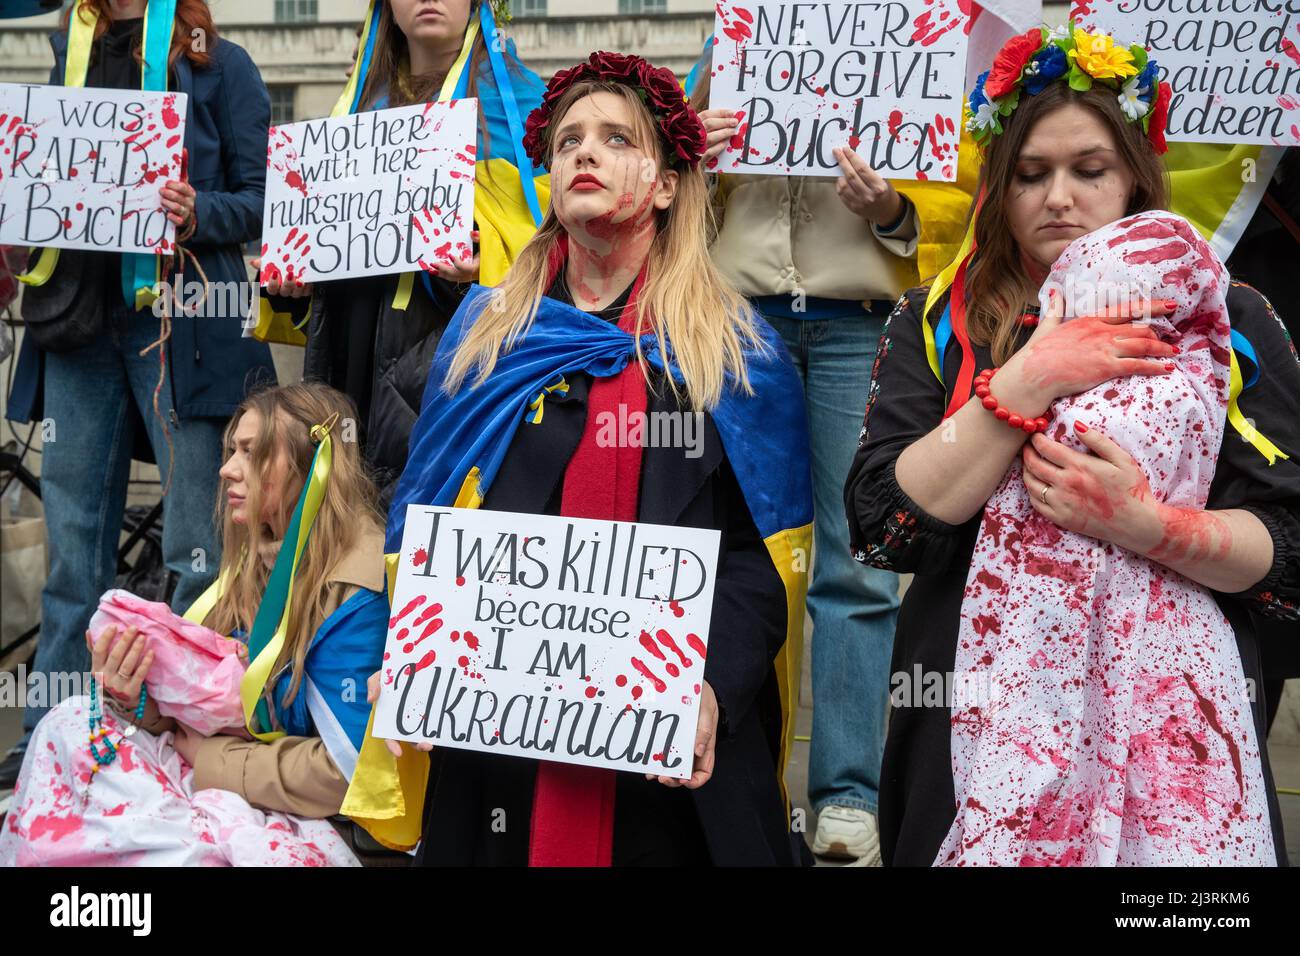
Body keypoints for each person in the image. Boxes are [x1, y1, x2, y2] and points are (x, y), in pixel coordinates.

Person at [344, 52, 815, 865]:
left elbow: (760, 562)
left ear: (667, 183)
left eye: (615, 139)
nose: (584, 154)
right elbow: (425, 525)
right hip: (497, 745)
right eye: (567, 143)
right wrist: (410, 653)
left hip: (663, 753)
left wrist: (712, 691)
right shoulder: (483, 342)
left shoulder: (736, 357)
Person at [845, 26, 1300, 865]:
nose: (1058, 196)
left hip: (1178, 734)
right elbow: (884, 528)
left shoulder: (1229, 317)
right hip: (968, 725)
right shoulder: (934, 318)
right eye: (1030, 174)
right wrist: (1028, 381)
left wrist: (1146, 525)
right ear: (999, 186)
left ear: (1134, 177)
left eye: (1089, 170)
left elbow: (1292, 554)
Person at [1, 0, 276, 789]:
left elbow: (263, 200)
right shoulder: (70, 53)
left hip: (183, 331)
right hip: (80, 332)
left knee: (195, 548)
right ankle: (48, 739)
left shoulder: (224, 64)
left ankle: (177, 738)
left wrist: (201, 212)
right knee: (72, 557)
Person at [0, 384, 390, 866]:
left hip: (311, 815)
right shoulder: (258, 552)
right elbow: (211, 708)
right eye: (231, 451)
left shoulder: (354, 585)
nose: (227, 468)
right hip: (231, 778)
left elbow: (347, 771)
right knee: (68, 724)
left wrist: (211, 761)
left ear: (311, 466)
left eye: (251, 452)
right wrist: (136, 698)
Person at [687, 52, 917, 863]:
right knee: (735, 550)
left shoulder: (904, 42)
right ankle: (737, 776)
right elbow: (674, 199)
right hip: (741, 321)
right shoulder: (729, 49)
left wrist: (890, 207)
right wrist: (690, 152)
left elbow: (949, 209)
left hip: (860, 316)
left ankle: (849, 794)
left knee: (856, 555)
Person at [261, 0, 547, 502]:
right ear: (386, 7)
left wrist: (486, 267)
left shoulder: (530, 107)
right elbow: (320, 259)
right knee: (344, 522)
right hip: (350, 354)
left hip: (454, 357)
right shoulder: (350, 115)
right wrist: (294, 284)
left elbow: (555, 238)